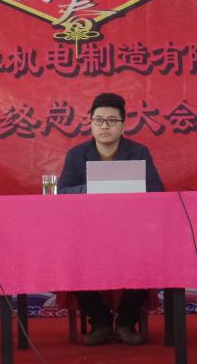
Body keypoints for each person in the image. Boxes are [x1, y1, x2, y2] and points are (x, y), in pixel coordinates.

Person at [57, 93, 165, 346]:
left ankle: (127, 322)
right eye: (99, 120)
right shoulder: (77, 155)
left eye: (112, 121)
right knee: (72, 258)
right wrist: (95, 188)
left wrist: (128, 188)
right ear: (91, 124)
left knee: (147, 255)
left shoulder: (138, 152)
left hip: (131, 231)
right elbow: (62, 193)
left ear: (123, 125)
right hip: (89, 231)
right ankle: (100, 322)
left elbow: (157, 191)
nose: (104, 126)